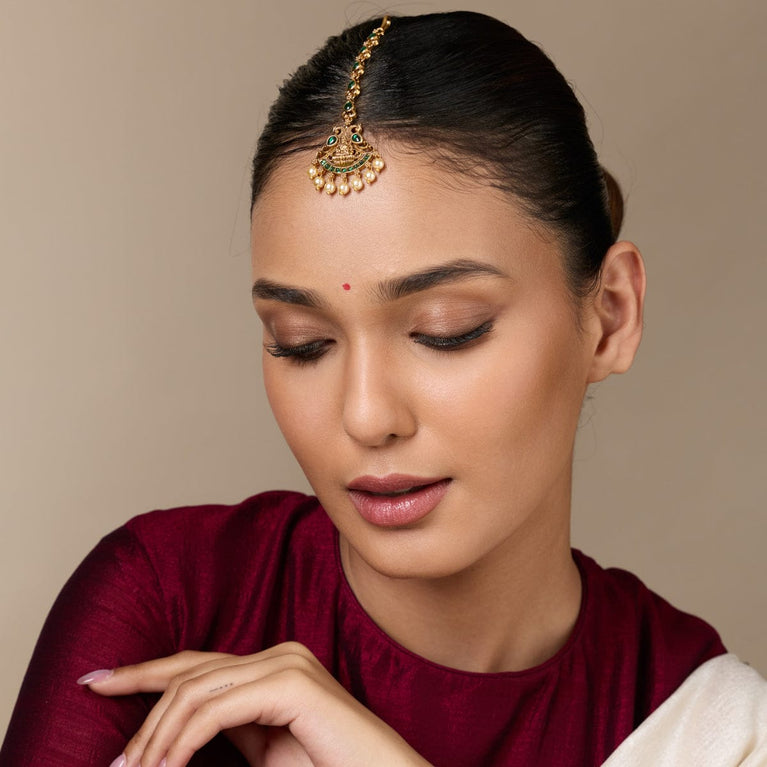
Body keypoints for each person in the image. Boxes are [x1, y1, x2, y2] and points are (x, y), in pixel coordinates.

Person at [1, 11, 765, 767]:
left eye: (446, 329)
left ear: (609, 316)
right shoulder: (166, 601)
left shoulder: (716, 730)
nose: (366, 415)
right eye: (302, 342)